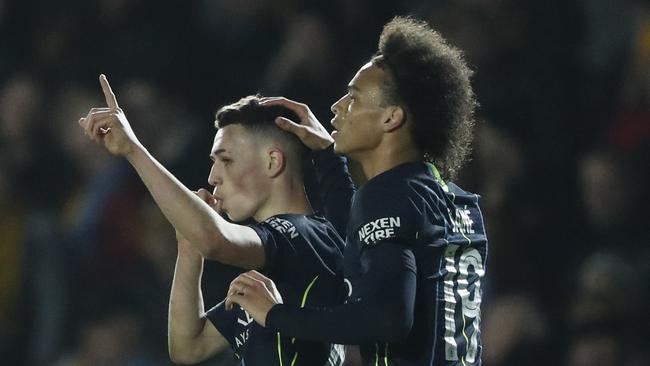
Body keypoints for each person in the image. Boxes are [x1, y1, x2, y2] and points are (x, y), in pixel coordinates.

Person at [226, 16, 489, 366]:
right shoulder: (454, 202)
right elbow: (363, 248)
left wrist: (276, 314)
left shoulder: (388, 195)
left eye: (353, 97)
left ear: (390, 118)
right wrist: (326, 157)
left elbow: (387, 318)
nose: (337, 107)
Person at [78, 84, 346, 365]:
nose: (212, 177)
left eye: (226, 160)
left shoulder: (308, 235)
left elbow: (214, 240)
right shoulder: (273, 274)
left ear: (272, 162)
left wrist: (133, 150)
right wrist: (188, 245)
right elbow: (188, 347)